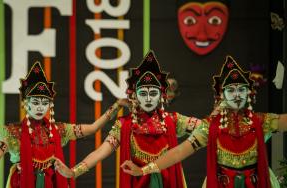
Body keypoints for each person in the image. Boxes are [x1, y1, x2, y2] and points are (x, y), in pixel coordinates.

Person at [0, 61, 127, 188]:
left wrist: (116, 107)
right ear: (24, 104)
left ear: (50, 105)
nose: (39, 107)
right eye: (35, 102)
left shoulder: (59, 130)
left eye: (44, 102)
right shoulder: (13, 132)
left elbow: (93, 129)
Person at [121, 55, 287, 188]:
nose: (236, 94)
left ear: (249, 94)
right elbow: (179, 152)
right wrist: (144, 171)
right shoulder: (210, 127)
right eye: (231, 90)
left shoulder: (262, 121)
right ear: (222, 95)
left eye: (241, 89)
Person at [54, 50, 204, 188]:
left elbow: (207, 128)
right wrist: (73, 172)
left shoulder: (173, 121)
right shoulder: (124, 125)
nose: (148, 98)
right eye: (143, 93)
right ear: (135, 95)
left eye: (153, 93)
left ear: (161, 96)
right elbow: (100, 152)